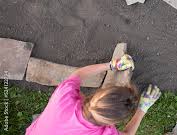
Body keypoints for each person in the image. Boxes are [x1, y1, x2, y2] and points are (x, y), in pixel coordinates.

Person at [26, 54, 161, 135]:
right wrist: (142, 109)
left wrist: (111, 65)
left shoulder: (64, 96)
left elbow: (78, 74)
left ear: (99, 94)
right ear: (113, 123)